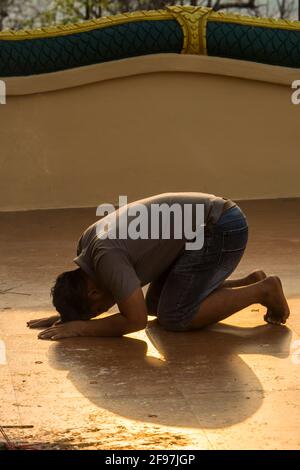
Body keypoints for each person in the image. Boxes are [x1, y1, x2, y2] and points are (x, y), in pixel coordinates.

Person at [27, 192, 290, 340]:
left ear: (93, 293)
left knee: (175, 317)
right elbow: (142, 310)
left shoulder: (107, 260)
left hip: (220, 227)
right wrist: (68, 315)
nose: (106, 310)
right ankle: (248, 283)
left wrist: (82, 327)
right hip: (205, 225)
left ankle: (264, 290)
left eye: (98, 310)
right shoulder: (86, 248)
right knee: (156, 305)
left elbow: (136, 321)